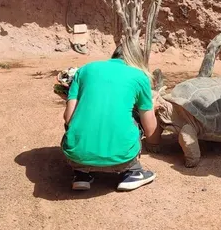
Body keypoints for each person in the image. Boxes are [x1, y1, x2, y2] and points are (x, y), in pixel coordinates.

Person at [61, 45, 159, 192]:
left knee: (79, 119)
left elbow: (68, 118)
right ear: (139, 60)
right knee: (134, 117)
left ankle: (81, 174)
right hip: (121, 158)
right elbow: (151, 132)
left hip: (76, 157)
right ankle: (132, 172)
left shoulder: (84, 70)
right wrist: (153, 108)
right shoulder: (139, 76)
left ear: (114, 55)